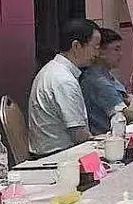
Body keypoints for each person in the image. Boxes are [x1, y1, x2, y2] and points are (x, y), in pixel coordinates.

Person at [28, 19, 101, 156]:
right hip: (58, 156)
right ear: (76, 46)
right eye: (95, 47)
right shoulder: (63, 79)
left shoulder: (54, 69)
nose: (97, 54)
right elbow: (79, 135)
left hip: (57, 153)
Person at [80, 29, 133, 134]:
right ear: (100, 52)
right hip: (107, 136)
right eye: (116, 49)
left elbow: (118, 104)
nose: (121, 54)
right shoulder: (97, 81)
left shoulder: (106, 74)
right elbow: (127, 115)